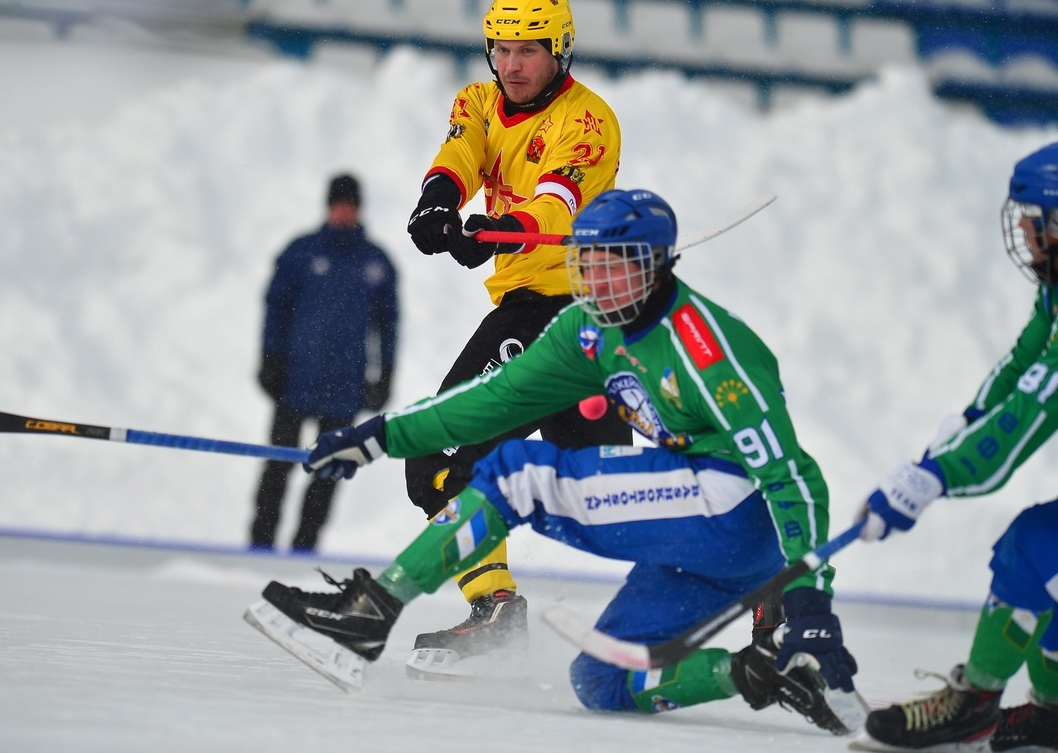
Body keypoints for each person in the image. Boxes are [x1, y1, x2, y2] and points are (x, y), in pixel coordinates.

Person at [246, 189, 865, 734]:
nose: (593, 284)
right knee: (602, 681)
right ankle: (761, 673)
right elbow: (495, 399)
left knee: (518, 476)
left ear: (652, 267)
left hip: (736, 512)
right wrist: (382, 435)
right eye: (584, 267)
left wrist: (810, 603)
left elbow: (794, 478)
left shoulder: (709, 347)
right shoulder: (589, 328)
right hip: (701, 547)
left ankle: (370, 613)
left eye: (609, 269)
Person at [399, 0, 633, 667]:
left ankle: (497, 609)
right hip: (532, 312)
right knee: (599, 499)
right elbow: (461, 154)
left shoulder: (589, 121)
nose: (512, 64)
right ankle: (495, 607)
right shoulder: (476, 100)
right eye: (501, 47)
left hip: (568, 312)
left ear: (559, 51)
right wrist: (436, 205)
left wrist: (499, 230)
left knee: (442, 447)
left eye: (528, 49)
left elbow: (557, 206)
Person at [854, 138, 1058, 752]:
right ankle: (1054, 714)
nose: (1023, 231)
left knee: (1040, 547)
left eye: (1033, 219)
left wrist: (939, 475)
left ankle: (973, 707)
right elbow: (1023, 366)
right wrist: (960, 427)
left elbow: (1034, 408)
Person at [249, 173, 399, 551]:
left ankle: (304, 547)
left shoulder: (376, 263)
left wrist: (386, 374)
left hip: (345, 388)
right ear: (328, 206)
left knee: (329, 471)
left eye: (350, 205)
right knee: (278, 463)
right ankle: (259, 543)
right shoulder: (301, 252)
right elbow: (275, 308)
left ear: (359, 208)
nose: (343, 211)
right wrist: (270, 357)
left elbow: (389, 323)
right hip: (296, 381)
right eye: (338, 204)